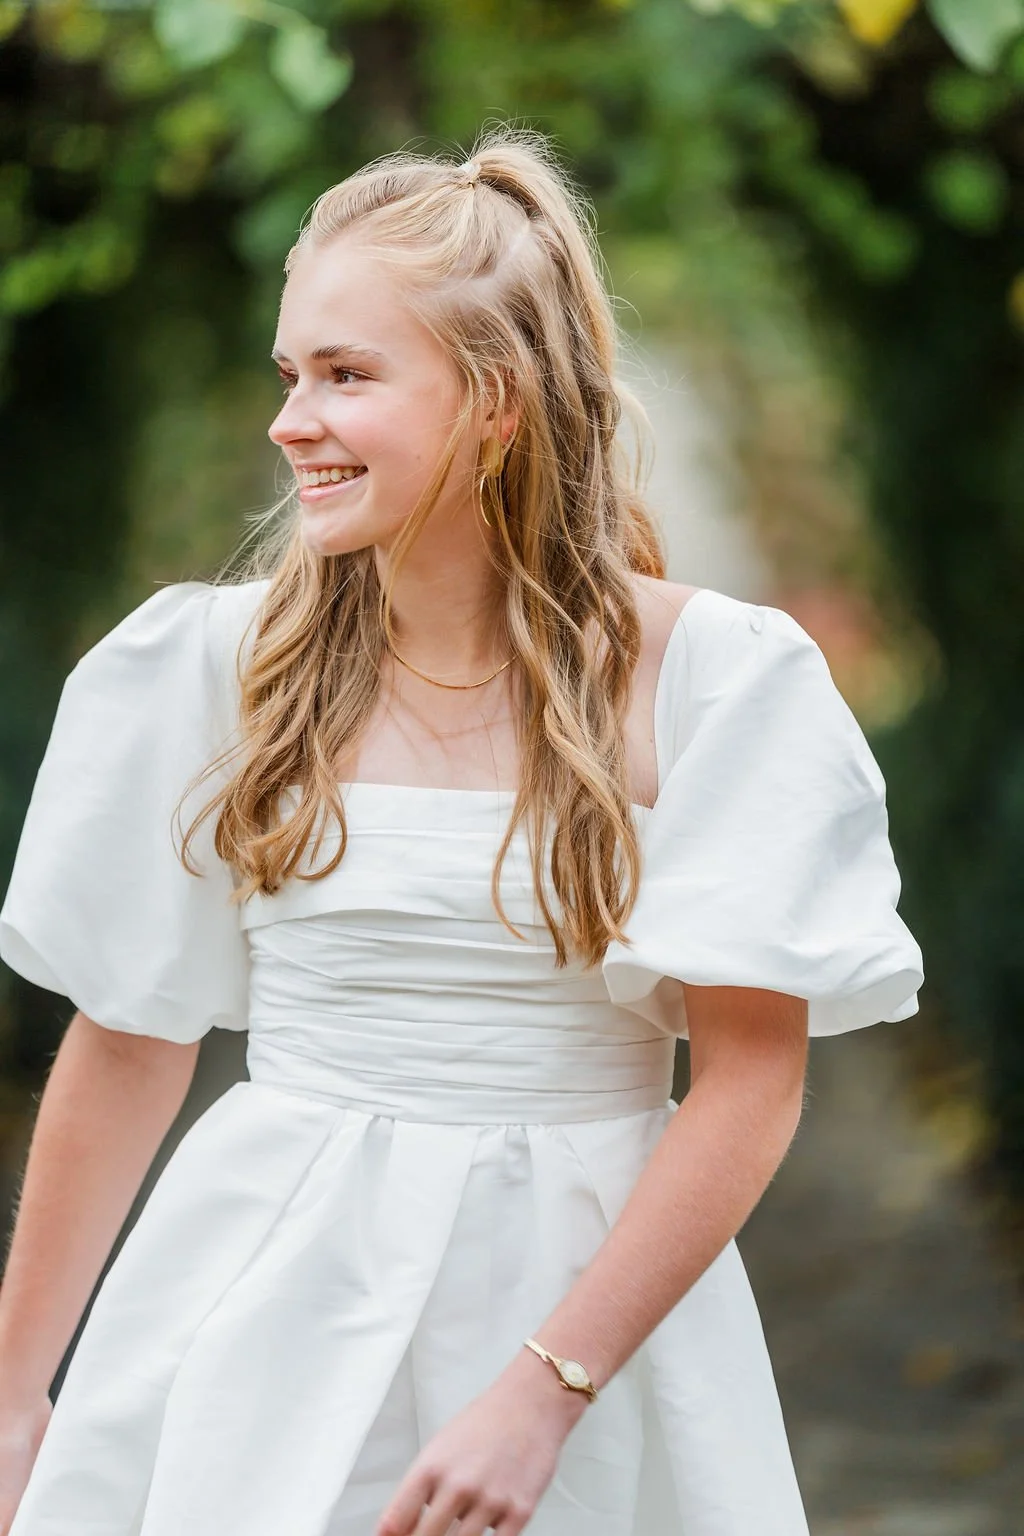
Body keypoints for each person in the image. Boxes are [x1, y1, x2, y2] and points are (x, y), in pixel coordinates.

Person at [0, 125, 923, 1536]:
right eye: (291, 373)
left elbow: (749, 1080)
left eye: (348, 375)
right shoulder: (209, 670)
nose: (291, 419)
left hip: (582, 1304)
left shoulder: (718, 682)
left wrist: (545, 1389)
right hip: (259, 1298)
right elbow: (129, 1037)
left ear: (497, 406)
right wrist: (15, 1397)